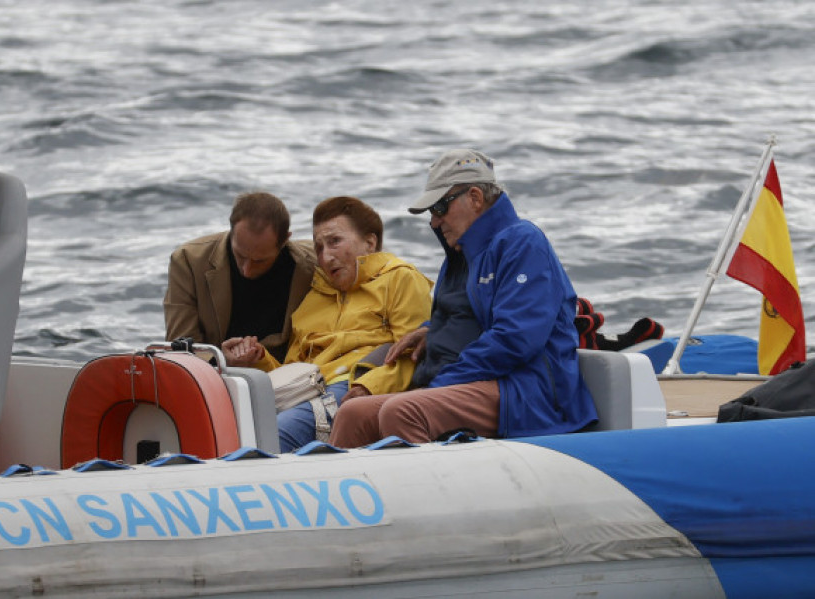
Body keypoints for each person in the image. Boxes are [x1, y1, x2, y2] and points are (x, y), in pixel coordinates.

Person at [329, 149, 598, 447]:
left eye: (440, 207)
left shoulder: (523, 243)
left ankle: (429, 490)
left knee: (404, 411)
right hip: (480, 383)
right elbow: (470, 312)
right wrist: (432, 330)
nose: (434, 221)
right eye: (431, 212)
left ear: (475, 198)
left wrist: (439, 385)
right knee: (353, 413)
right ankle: (349, 488)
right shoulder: (459, 254)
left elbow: (516, 339)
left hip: (526, 392)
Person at [223, 196, 433, 452]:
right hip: (307, 392)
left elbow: (412, 355)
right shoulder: (313, 298)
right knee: (229, 431)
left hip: (353, 386)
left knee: (271, 436)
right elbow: (293, 371)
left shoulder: (401, 279)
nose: (325, 256)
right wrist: (257, 359)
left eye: (334, 241)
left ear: (370, 242)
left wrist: (367, 387)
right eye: (319, 247)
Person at [163, 192, 316, 362]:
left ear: (285, 241)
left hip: (285, 372)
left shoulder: (315, 264)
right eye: (240, 255)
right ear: (231, 230)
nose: (247, 270)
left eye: (260, 261)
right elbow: (180, 347)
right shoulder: (188, 261)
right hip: (212, 374)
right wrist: (222, 361)